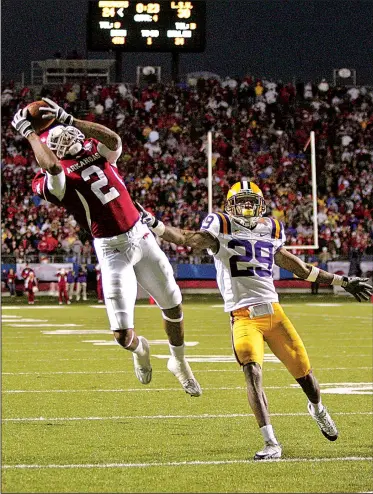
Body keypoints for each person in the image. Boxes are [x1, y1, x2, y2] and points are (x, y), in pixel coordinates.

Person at [137, 180, 373, 459]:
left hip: (274, 313)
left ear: (259, 204)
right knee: (252, 372)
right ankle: (271, 442)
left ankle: (317, 408)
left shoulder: (271, 228)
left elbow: (299, 268)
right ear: (230, 204)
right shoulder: (220, 226)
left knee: (305, 375)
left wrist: (342, 280)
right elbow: (187, 238)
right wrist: (156, 224)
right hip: (243, 317)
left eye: (252, 201)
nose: (247, 206)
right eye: (242, 201)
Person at [11, 100, 201, 397]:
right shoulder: (54, 178)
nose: (68, 139)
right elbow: (50, 166)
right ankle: (141, 351)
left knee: (173, 305)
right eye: (58, 138)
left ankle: (179, 362)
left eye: (69, 134)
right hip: (112, 250)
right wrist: (29, 133)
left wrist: (68, 118)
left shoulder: (95, 152)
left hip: (141, 235)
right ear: (51, 147)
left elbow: (113, 140)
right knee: (123, 335)